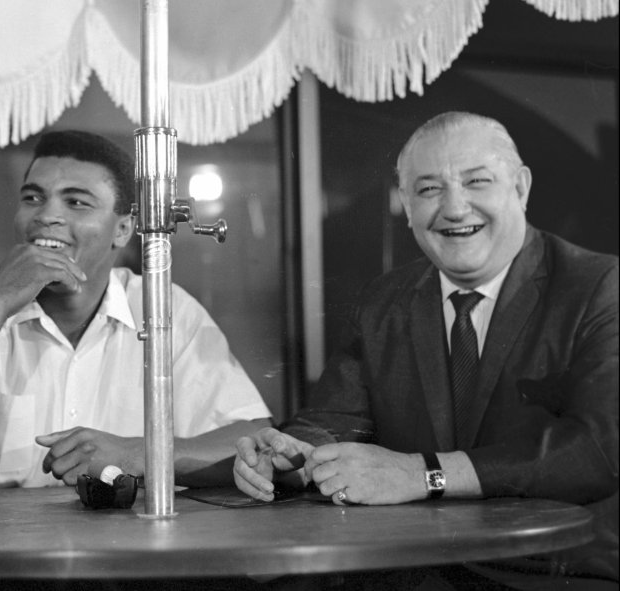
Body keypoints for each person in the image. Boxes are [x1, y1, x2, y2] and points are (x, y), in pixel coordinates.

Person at [234, 111, 618, 585]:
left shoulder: (600, 287)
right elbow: (330, 424)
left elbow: (600, 450)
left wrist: (423, 474)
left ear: (520, 188)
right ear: (407, 206)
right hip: (415, 567)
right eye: (429, 189)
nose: (455, 209)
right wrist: (293, 459)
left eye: (477, 182)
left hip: (556, 570)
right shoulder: (382, 302)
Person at [0, 129, 272, 490]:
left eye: (76, 202)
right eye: (32, 198)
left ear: (123, 230)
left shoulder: (165, 309)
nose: (47, 216)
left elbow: (255, 442)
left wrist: (141, 454)